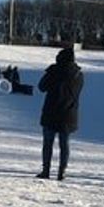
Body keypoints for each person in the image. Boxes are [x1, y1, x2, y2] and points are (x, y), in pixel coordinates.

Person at [36, 46, 84, 180]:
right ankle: (61, 172)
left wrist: (50, 72)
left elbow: (41, 87)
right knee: (64, 145)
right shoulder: (79, 74)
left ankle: (46, 171)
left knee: (48, 144)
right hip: (69, 114)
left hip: (51, 112)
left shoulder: (54, 71)